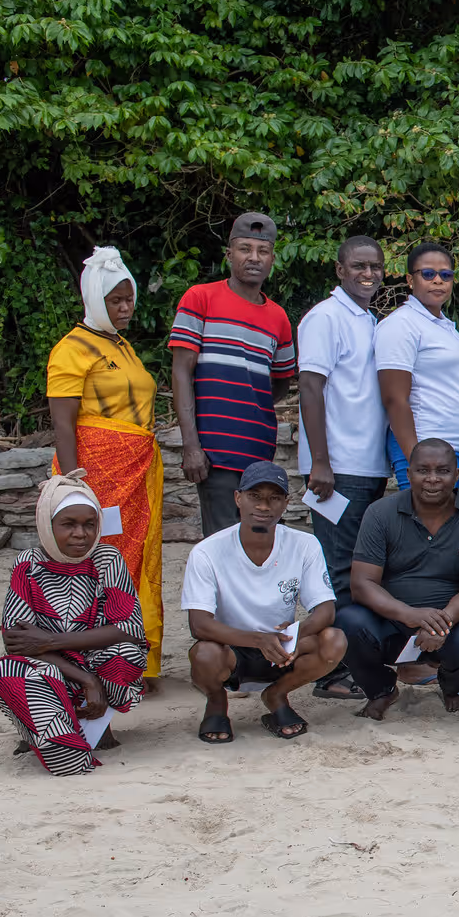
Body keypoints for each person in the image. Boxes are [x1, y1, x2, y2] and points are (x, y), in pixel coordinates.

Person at [47, 246, 164, 684]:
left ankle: (136, 660)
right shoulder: (71, 349)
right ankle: (98, 661)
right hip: (97, 476)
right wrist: (75, 485)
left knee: (135, 560)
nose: (125, 307)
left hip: (135, 473)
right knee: (100, 561)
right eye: (115, 300)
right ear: (94, 299)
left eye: (129, 298)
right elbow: (63, 424)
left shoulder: (122, 346)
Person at [0, 474, 148, 775]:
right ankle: (48, 735)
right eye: (68, 524)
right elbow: (16, 641)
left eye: (90, 524)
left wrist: (51, 641)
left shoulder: (107, 559)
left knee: (125, 654)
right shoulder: (28, 564)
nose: (81, 534)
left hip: (91, 655)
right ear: (47, 525)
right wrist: (87, 680)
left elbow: (127, 628)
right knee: (9, 670)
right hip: (51, 664)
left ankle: (93, 728)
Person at [180, 461, 347, 742]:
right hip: (232, 647)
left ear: (286, 504)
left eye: (274, 498)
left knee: (335, 640)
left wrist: (293, 634)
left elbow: (325, 610)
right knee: (204, 654)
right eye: (254, 496)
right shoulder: (207, 551)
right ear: (238, 498)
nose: (264, 506)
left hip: (284, 646)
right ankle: (217, 702)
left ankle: (277, 695)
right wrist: (259, 640)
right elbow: (199, 625)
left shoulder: (304, 544)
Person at [296, 236, 393, 701]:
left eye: (375, 266)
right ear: (339, 270)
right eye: (358, 266)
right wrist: (320, 461)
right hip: (336, 470)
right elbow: (311, 389)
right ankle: (330, 672)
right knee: (337, 569)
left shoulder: (369, 320)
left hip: (367, 465)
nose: (368, 274)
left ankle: (350, 662)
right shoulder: (325, 318)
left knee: (361, 567)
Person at [339, 439, 459, 718]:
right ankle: (380, 689)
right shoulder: (380, 513)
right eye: (423, 470)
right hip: (389, 622)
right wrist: (409, 614)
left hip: (449, 627)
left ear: (457, 475)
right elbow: (362, 584)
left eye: (443, 471)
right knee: (346, 622)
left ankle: (453, 686)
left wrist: (441, 623)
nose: (432, 479)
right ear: (408, 474)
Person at [169, 212, 296, 535]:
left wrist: (250, 400)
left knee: (259, 543)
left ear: (272, 259)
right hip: (214, 453)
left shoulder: (278, 317)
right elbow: (181, 373)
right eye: (244, 249)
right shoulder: (200, 298)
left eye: (262, 251)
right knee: (222, 545)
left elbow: (280, 381)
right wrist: (191, 445)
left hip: (258, 451)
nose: (253, 258)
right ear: (229, 254)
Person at [377, 241, 459, 497]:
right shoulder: (401, 325)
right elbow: (394, 398)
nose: (438, 280)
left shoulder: (444, 326)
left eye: (445, 275)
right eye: (428, 274)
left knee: (457, 532)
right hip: (429, 451)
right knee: (426, 533)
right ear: (409, 279)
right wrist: (417, 459)